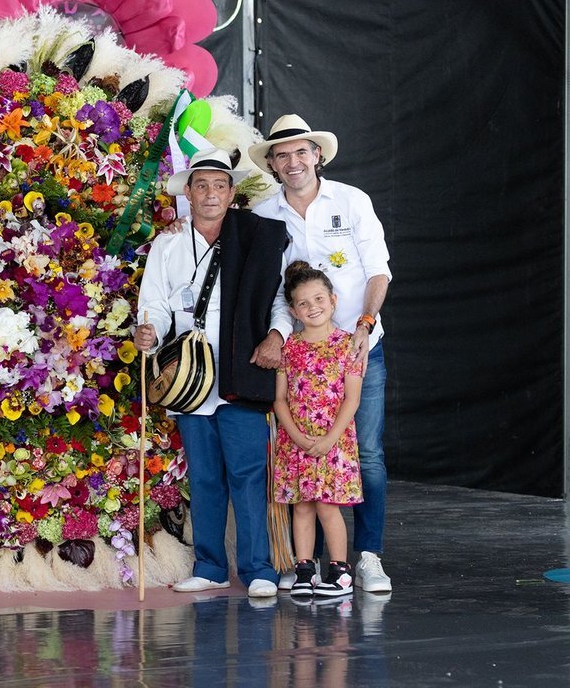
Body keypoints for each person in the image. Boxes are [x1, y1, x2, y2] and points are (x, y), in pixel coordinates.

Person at [133, 148, 291, 598]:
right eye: (201, 185)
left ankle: (259, 570)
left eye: (219, 185)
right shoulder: (167, 244)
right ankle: (210, 567)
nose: (210, 194)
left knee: (248, 473)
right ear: (188, 191)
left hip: (243, 369)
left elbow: (279, 297)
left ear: (232, 193)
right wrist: (149, 331)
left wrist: (277, 335)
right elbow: (155, 303)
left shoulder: (257, 236)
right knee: (203, 477)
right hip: (188, 374)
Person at [249, 114, 393, 593]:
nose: (293, 162)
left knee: (366, 454)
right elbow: (276, 291)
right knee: (302, 459)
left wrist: (364, 324)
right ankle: (304, 562)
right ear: (272, 164)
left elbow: (378, 271)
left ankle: (366, 556)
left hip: (357, 349)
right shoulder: (266, 215)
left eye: (301, 151)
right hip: (304, 361)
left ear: (317, 155)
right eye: (282, 155)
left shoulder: (352, 201)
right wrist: (277, 334)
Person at [273, 261, 364, 599]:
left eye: (319, 299)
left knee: (327, 505)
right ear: (293, 311)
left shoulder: (348, 346)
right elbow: (280, 399)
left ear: (333, 300)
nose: (313, 307)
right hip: (295, 440)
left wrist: (329, 439)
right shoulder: (289, 348)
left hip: (333, 441)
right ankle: (305, 569)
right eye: (303, 303)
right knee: (301, 506)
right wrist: (297, 437)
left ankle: (340, 573)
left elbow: (352, 399)